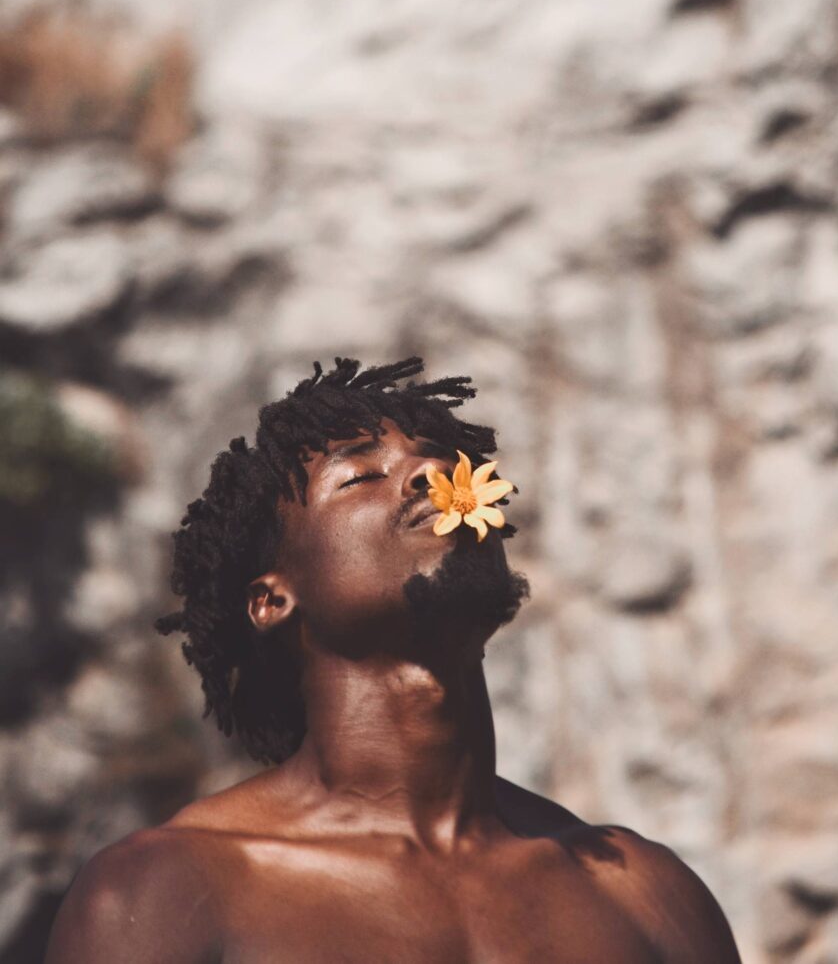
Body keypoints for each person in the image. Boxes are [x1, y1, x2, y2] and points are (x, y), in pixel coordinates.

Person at [45, 356, 742, 963]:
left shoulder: (643, 892)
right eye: (359, 477)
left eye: (443, 457)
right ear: (272, 599)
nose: (433, 474)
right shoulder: (165, 892)